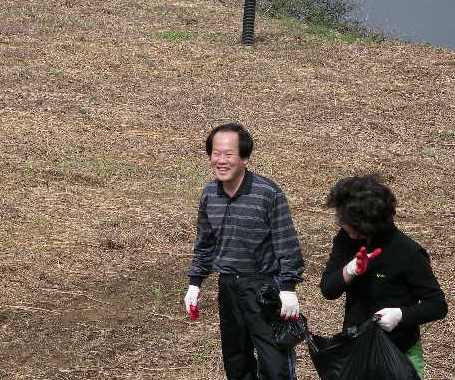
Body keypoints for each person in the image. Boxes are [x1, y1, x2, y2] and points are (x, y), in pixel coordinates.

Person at [185, 123, 304, 380]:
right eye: (216, 154)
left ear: (245, 158)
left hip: (264, 286)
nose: (221, 161)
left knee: (276, 364)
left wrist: (288, 287)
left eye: (228, 154)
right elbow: (205, 244)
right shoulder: (209, 194)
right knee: (236, 361)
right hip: (228, 286)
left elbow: (286, 242)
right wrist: (195, 283)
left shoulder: (267, 193)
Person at [321, 175, 447, 379]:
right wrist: (348, 271)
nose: (338, 221)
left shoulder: (408, 253)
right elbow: (328, 289)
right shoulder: (345, 240)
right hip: (357, 347)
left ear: (364, 224)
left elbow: (437, 305)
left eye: (342, 217)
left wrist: (401, 315)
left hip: (398, 351)